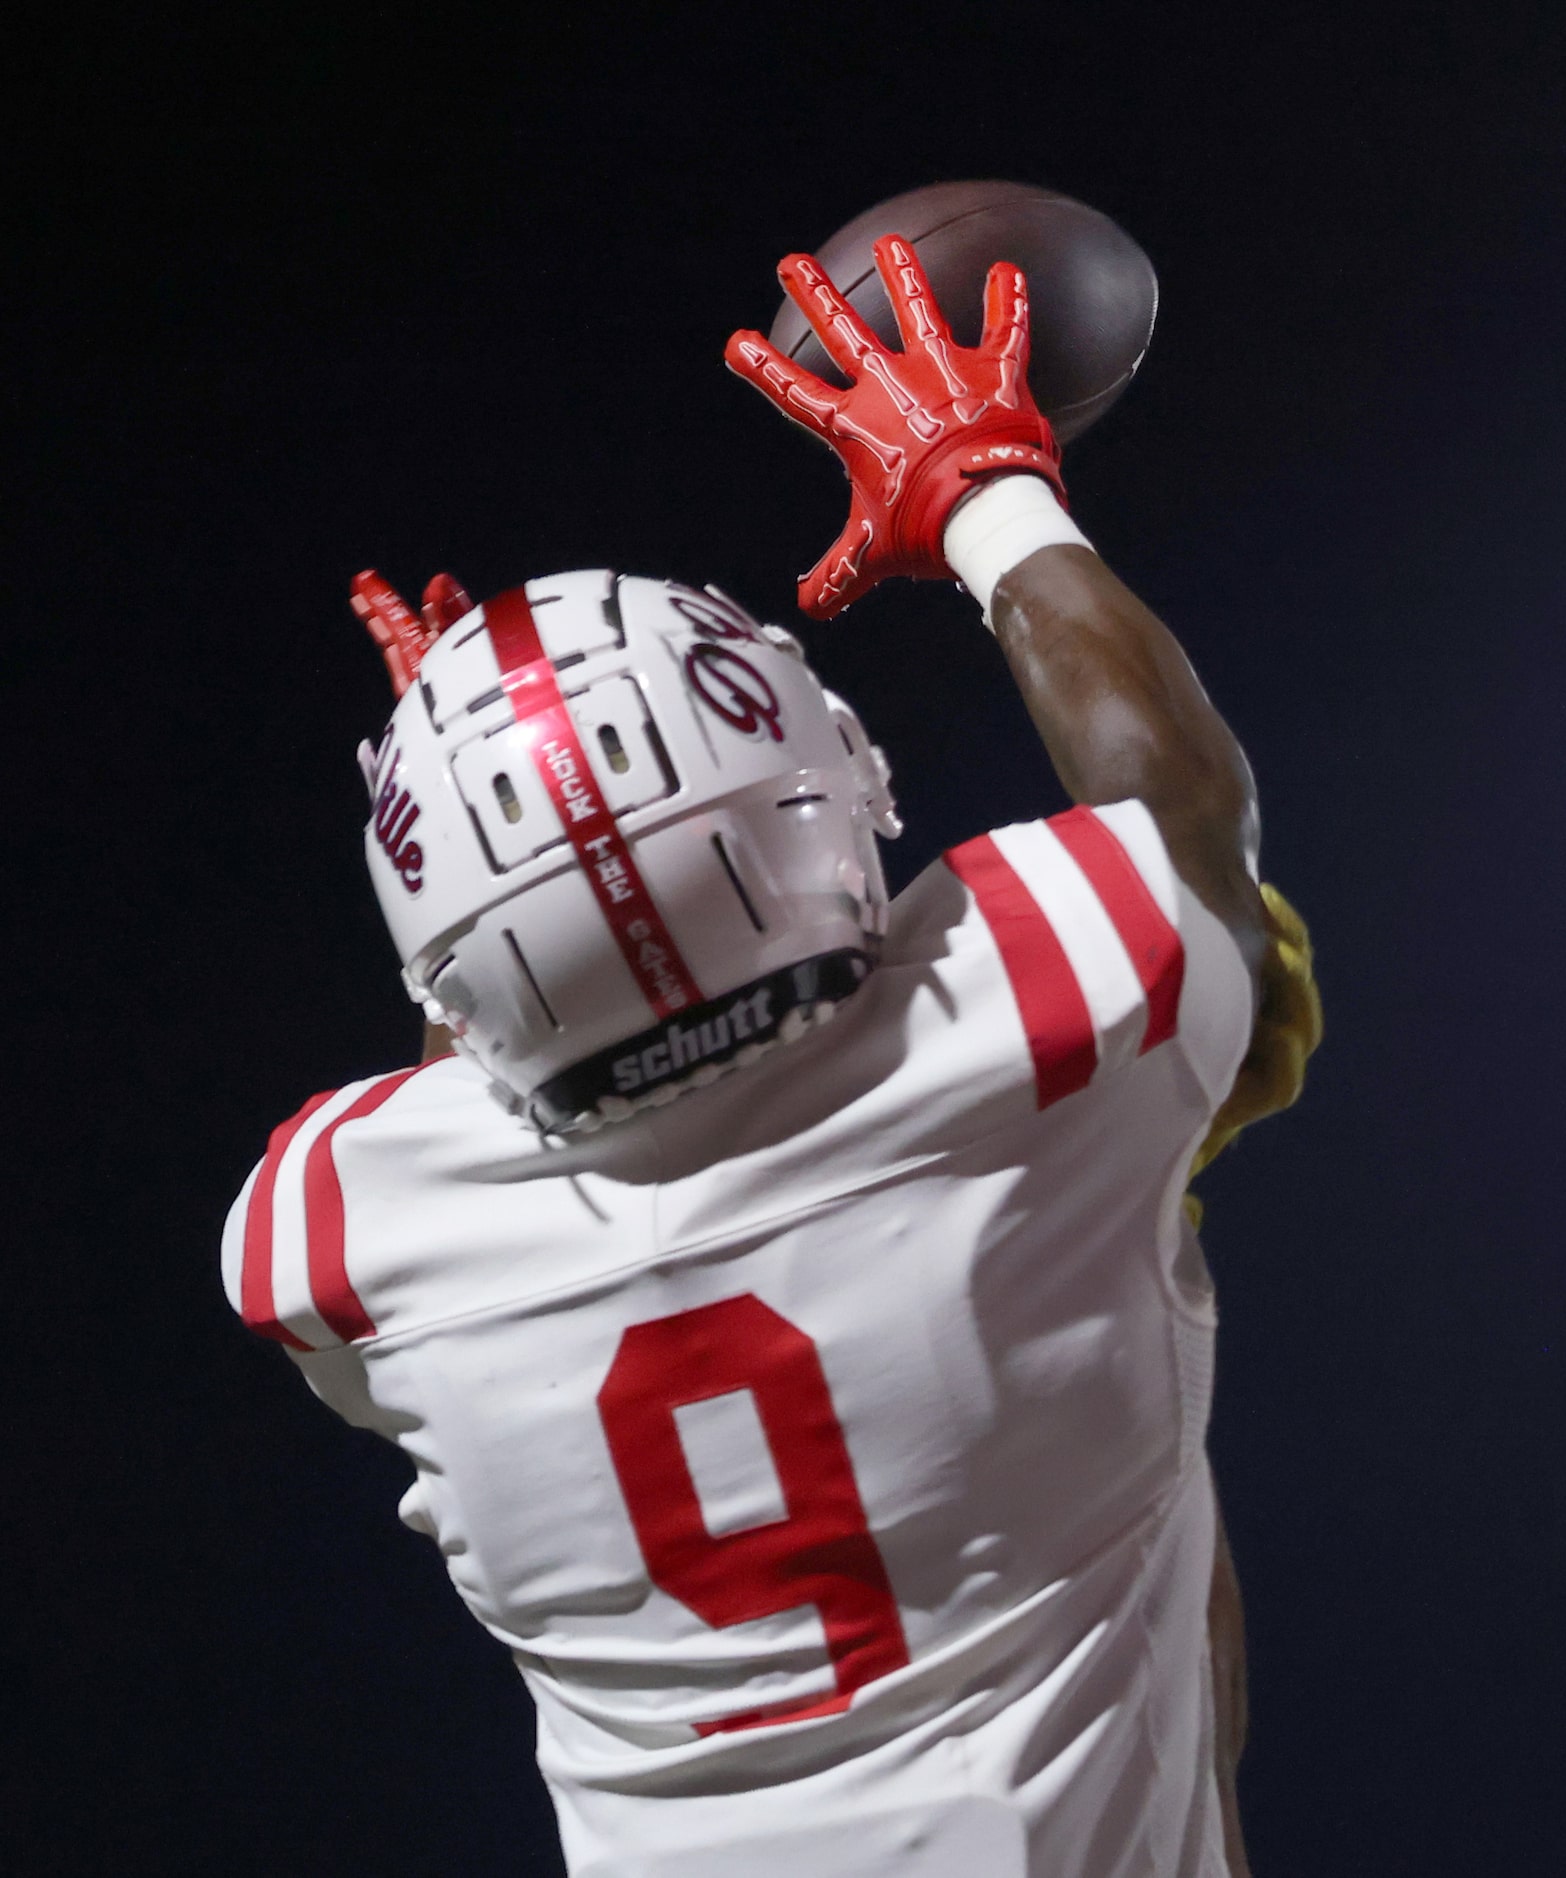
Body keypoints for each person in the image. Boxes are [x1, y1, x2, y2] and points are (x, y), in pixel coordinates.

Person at [220, 235, 1316, 1877]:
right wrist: (984, 485)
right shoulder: (1050, 1032)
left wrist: (496, 829)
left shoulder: (326, 1236)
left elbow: (477, 1098)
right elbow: (1186, 824)